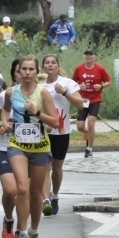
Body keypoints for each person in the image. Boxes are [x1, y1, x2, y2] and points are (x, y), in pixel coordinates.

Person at [0, 55, 58, 238]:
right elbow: (4, 111)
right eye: (24, 69)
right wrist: (4, 123)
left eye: (31, 69)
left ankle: (34, 231)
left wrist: (37, 113)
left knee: (36, 193)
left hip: (40, 147)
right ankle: (21, 231)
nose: (27, 73)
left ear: (37, 73)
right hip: (17, 145)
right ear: (18, 72)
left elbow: (55, 122)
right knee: (21, 189)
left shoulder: (43, 93)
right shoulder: (11, 92)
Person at [40, 54, 83, 216]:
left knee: (57, 168)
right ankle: (46, 199)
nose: (50, 65)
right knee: (45, 167)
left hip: (61, 131)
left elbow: (81, 104)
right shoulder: (39, 85)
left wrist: (64, 93)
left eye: (53, 63)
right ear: (43, 66)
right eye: (47, 63)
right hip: (43, 131)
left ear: (58, 66)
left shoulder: (67, 83)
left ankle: (55, 195)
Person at [0, 59, 21, 238]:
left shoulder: (40, 95)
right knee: (10, 191)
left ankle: (22, 228)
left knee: (24, 192)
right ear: (13, 74)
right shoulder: (6, 95)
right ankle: (9, 219)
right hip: (6, 147)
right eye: (19, 71)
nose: (23, 74)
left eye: (28, 70)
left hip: (30, 149)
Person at [71, 49, 112, 158]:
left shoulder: (100, 69)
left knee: (91, 123)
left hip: (95, 99)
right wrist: (79, 85)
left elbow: (108, 81)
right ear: (84, 57)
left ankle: (89, 149)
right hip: (83, 99)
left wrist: (102, 86)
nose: (88, 57)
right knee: (80, 126)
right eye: (86, 55)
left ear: (94, 56)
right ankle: (91, 134)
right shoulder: (79, 68)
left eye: (91, 55)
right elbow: (72, 82)